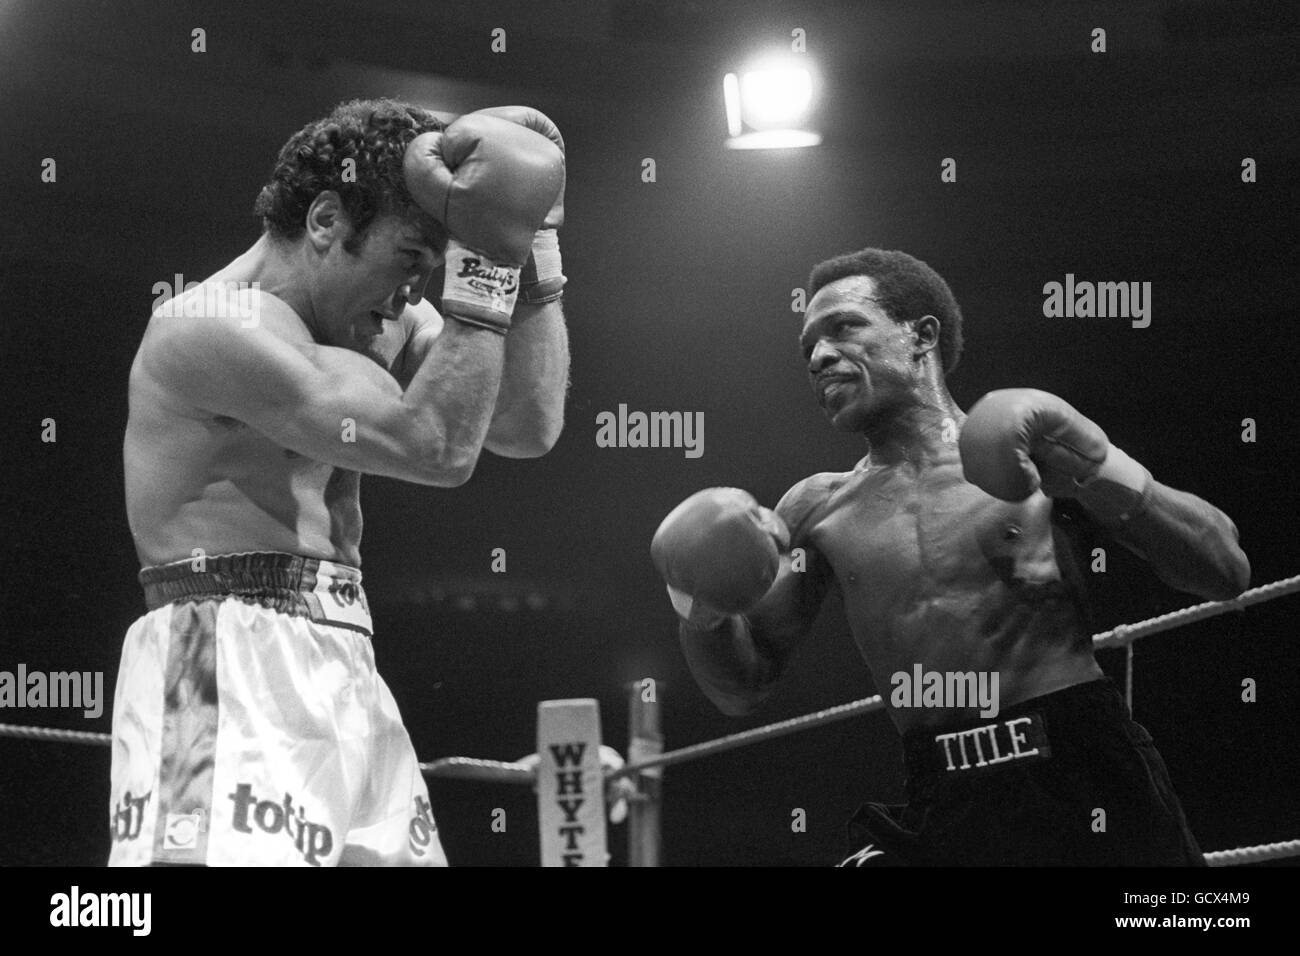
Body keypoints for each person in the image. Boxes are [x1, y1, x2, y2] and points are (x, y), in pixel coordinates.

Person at [652, 248, 1249, 866]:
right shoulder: (815, 508)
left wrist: (1102, 472)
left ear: (922, 334)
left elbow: (1225, 570)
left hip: (1079, 763)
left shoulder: (1033, 450)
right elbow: (742, 688)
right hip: (943, 792)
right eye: (808, 347)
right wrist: (699, 602)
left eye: (844, 327)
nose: (819, 356)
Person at [111, 98, 568, 866]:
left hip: (346, 656)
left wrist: (535, 252)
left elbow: (526, 426)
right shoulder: (210, 325)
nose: (415, 296)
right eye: (410, 260)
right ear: (326, 220)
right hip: (225, 652)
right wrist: (486, 262)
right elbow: (435, 449)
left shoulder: (387, 320)